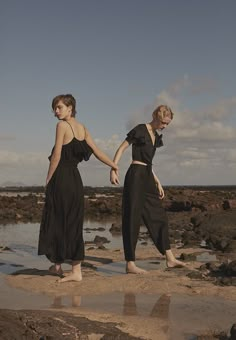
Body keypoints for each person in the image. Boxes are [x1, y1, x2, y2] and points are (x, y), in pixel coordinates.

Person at [38, 94, 118, 282]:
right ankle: (69, 268)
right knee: (73, 222)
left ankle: (63, 267)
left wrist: (48, 180)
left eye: (59, 107)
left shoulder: (62, 126)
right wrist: (114, 165)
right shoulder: (83, 128)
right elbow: (97, 152)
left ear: (70, 108)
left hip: (61, 178)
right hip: (75, 181)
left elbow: (57, 155)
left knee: (56, 219)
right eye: (54, 108)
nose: (56, 111)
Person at [110, 105, 186, 274]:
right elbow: (122, 148)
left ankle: (170, 258)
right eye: (163, 122)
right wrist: (114, 168)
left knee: (159, 216)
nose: (164, 126)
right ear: (156, 117)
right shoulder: (140, 129)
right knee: (132, 218)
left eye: (167, 124)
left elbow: (149, 163)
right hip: (135, 176)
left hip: (147, 176)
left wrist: (157, 181)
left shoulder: (155, 136)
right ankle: (130, 264)